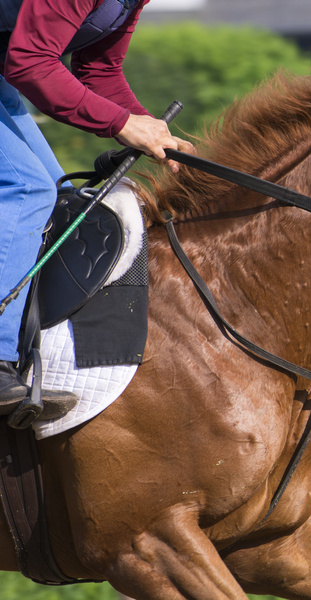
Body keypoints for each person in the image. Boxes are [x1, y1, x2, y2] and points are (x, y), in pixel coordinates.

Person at [0, 0, 194, 417]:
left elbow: (99, 69)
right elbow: (31, 62)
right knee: (27, 190)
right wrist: (124, 125)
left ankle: (25, 354)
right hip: (12, 71)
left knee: (52, 193)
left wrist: (146, 124)